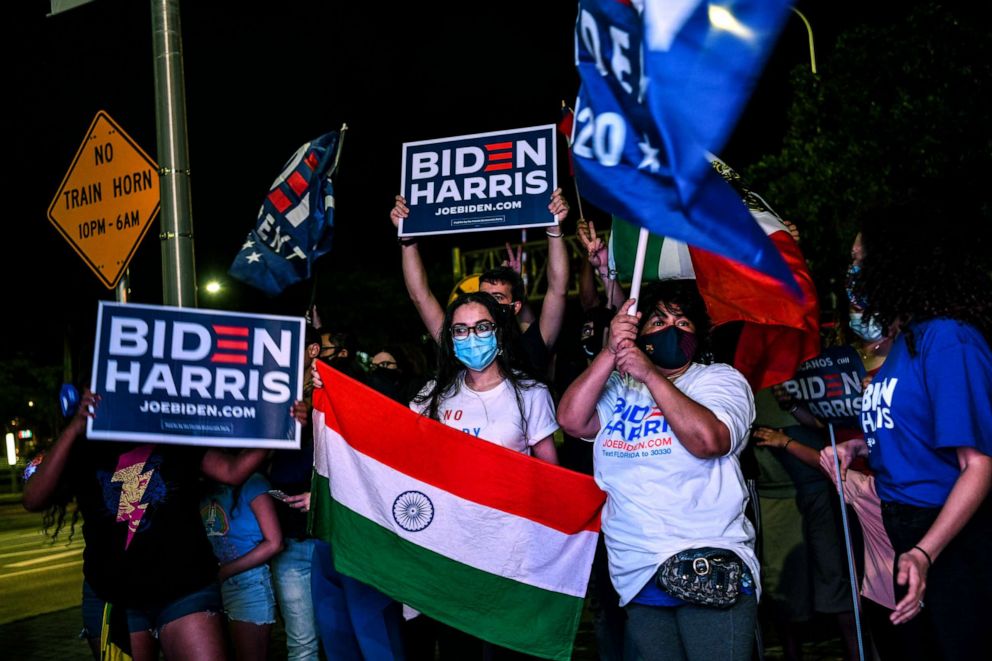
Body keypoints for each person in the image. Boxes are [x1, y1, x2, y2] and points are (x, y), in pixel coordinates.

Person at [822, 200, 992, 660]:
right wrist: (858, 443)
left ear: (897, 265)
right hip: (902, 530)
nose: (852, 274)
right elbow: (914, 427)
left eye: (860, 263)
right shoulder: (904, 342)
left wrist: (925, 551)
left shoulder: (948, 338)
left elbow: (977, 466)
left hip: (948, 536)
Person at [557, 279, 758, 661]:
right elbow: (571, 420)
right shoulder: (619, 385)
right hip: (636, 568)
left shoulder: (719, 380)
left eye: (683, 323)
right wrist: (610, 352)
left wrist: (651, 375)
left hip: (706, 558)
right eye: (658, 321)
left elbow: (710, 440)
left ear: (699, 333)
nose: (670, 329)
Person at [22, 388, 270, 660]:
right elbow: (33, 499)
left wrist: (280, 428)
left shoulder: (173, 431)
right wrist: (73, 429)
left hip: (184, 588)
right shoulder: (83, 444)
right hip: (114, 597)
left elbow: (232, 471)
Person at [389, 188, 570, 377]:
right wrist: (407, 239)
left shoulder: (530, 347)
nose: (488, 302)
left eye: (498, 297)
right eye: (483, 296)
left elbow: (558, 290)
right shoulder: (462, 343)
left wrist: (554, 229)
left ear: (514, 306)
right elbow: (421, 297)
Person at [266, 325, 322, 661]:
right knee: (302, 645)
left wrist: (314, 420)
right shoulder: (267, 397)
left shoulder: (335, 392)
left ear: (313, 351)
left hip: (333, 539)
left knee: (346, 636)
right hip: (290, 542)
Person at [201, 470, 284, 661]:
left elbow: (275, 543)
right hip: (210, 585)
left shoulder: (253, 482)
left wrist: (223, 572)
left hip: (247, 583)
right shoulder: (202, 484)